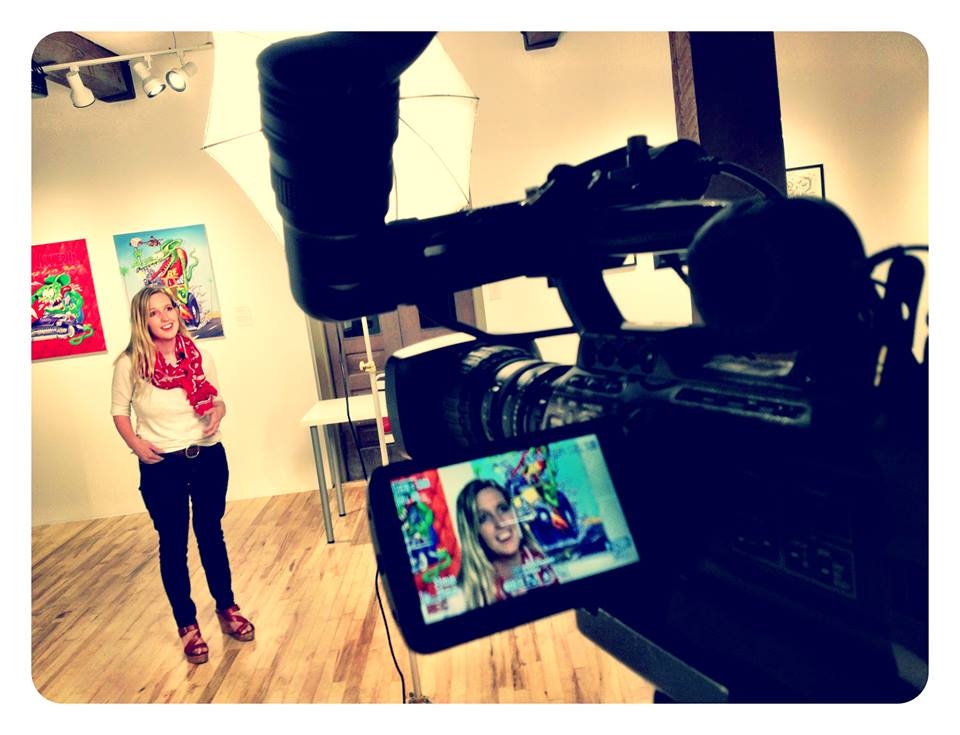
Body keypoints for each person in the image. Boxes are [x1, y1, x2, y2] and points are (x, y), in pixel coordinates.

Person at [110, 285, 254, 665]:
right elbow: (119, 411)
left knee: (211, 534)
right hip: (162, 466)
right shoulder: (130, 364)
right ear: (142, 321)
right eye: (154, 312)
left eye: (169, 308)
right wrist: (136, 444)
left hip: (207, 457)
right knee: (173, 545)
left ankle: (227, 608)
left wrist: (218, 411)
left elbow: (218, 400)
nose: (165, 317)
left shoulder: (199, 354)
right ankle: (187, 626)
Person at [455, 479, 558, 610]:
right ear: (474, 533)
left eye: (503, 509)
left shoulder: (546, 561)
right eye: (483, 518)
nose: (500, 523)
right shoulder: (464, 596)